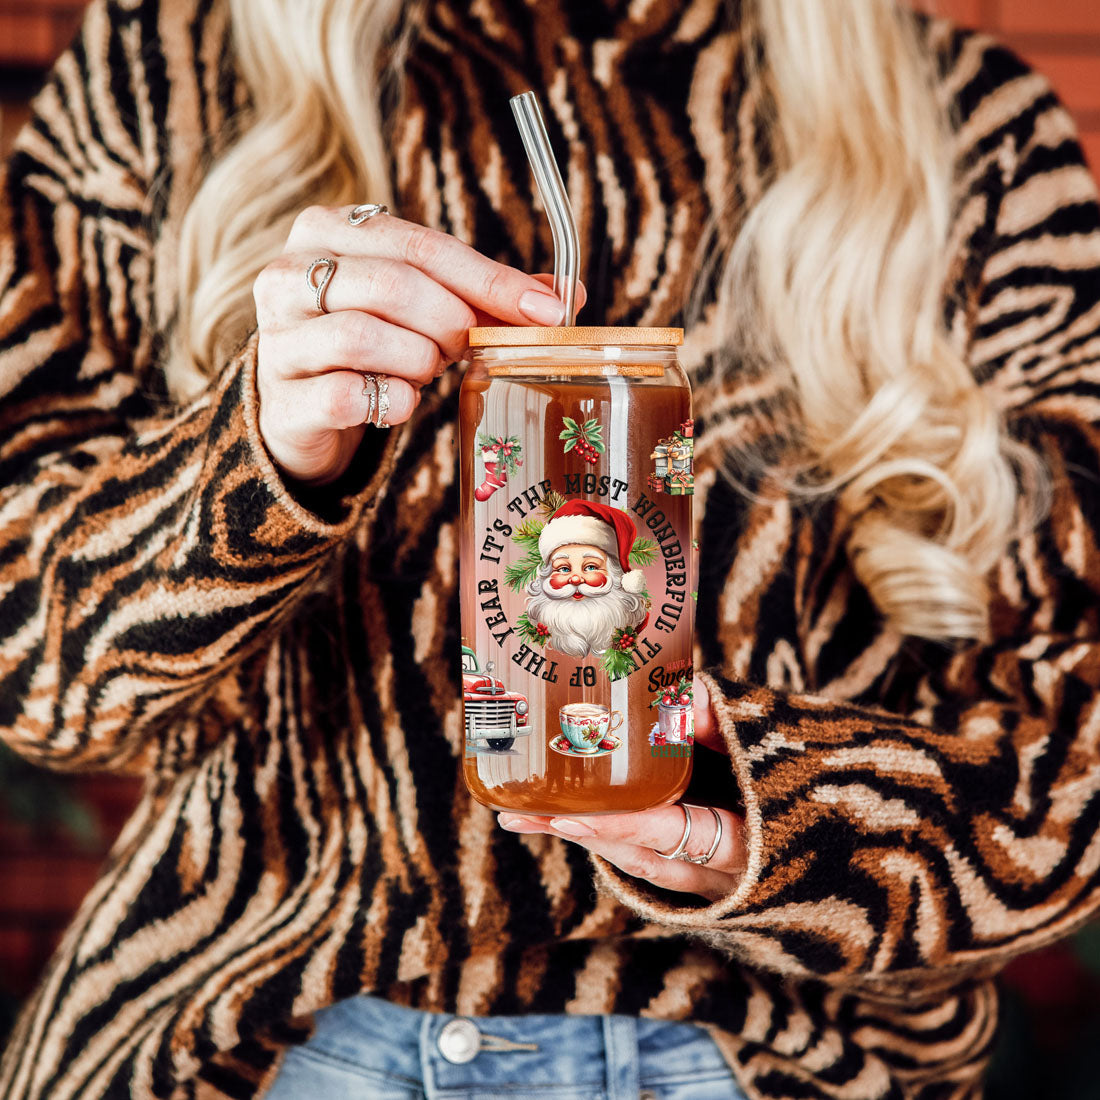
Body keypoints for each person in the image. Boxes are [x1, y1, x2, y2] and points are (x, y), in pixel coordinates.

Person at [0, 0, 1097, 1096]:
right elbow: (32, 673)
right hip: (249, 1036)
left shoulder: (970, 129)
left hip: (777, 1051)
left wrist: (775, 819)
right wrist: (258, 459)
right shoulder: (169, 68)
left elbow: (1075, 753)